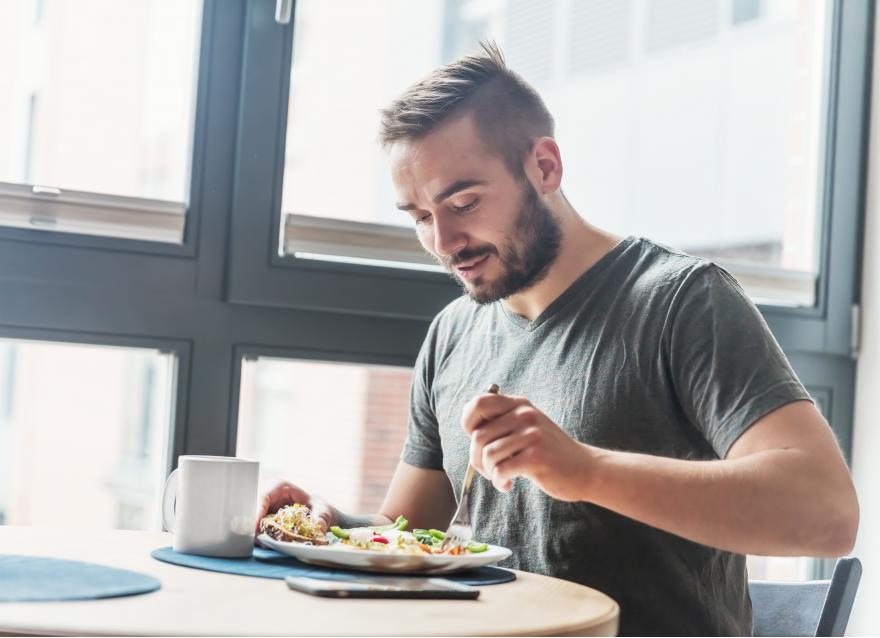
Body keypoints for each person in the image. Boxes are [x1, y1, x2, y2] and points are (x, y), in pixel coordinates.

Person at [256, 43, 859, 635]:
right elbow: (407, 532)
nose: (443, 242)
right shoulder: (453, 333)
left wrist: (586, 470)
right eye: (418, 217)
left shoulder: (683, 301)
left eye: (463, 202)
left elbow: (826, 514)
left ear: (544, 167)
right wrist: (331, 528)